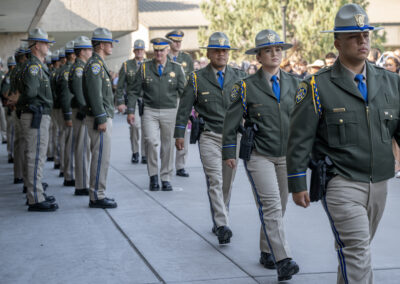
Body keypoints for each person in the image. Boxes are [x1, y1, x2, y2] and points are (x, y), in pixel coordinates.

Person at [287, 4, 397, 283]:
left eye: (366, 35)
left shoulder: (391, 82)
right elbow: (300, 137)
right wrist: (297, 181)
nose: (363, 41)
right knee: (358, 252)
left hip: (380, 182)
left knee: (354, 252)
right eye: (354, 36)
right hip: (341, 181)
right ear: (337, 42)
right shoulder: (316, 86)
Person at [222, 29, 300, 281]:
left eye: (278, 49)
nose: (275, 53)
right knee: (272, 205)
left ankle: (268, 250)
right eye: (268, 50)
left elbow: (304, 122)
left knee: (281, 206)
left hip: (286, 155)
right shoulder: (244, 87)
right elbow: (231, 122)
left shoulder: (295, 83)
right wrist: (228, 151)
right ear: (258, 56)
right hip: (259, 155)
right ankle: (283, 259)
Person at [175, 32, 246, 244]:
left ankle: (219, 218)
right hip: (209, 136)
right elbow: (184, 108)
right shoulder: (196, 78)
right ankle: (223, 224)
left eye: (225, 51)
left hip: (232, 138)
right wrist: (179, 133)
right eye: (217, 50)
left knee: (227, 183)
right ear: (209, 53)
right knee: (214, 179)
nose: (222, 54)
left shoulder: (240, 77)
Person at [125, 37, 186, 192]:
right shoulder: (145, 68)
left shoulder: (177, 68)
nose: (159, 53)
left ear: (167, 50)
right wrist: (131, 111)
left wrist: (187, 114)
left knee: (168, 146)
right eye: (156, 50)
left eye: (162, 50)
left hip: (170, 110)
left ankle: (165, 177)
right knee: (151, 141)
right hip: (150, 111)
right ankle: (153, 175)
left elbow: (185, 94)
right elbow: (133, 91)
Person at [19, 28, 58, 211]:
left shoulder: (37, 65)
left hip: (38, 114)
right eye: (44, 43)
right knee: (35, 157)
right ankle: (35, 198)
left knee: (36, 156)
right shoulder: (34, 67)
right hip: (36, 114)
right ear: (35, 46)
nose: (47, 46)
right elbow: (31, 93)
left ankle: (36, 193)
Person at [82, 27, 118, 208]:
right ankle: (97, 195)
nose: (112, 46)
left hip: (101, 116)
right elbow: (95, 95)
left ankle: (98, 192)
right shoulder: (95, 65)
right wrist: (101, 118)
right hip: (100, 118)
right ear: (102, 45)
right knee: (100, 157)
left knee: (102, 157)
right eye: (110, 43)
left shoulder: (98, 63)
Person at [166, 30, 194, 178]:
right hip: (169, 99)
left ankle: (181, 165)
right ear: (169, 42)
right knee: (170, 132)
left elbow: (191, 78)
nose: (177, 44)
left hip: (184, 98)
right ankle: (168, 164)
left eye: (179, 41)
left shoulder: (186, 58)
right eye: (175, 41)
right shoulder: (165, 57)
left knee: (183, 130)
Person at [68, 36, 93, 196]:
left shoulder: (81, 66)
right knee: (82, 148)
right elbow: (79, 92)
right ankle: (82, 184)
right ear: (82, 51)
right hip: (81, 112)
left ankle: (83, 181)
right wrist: (86, 109)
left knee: (84, 148)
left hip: (81, 110)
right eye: (89, 49)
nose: (91, 52)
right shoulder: (79, 68)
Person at [116, 39, 147, 164]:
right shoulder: (126, 65)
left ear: (144, 51)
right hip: (132, 101)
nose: (139, 52)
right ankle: (135, 152)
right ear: (134, 51)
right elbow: (120, 86)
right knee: (134, 126)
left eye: (141, 49)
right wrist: (120, 102)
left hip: (146, 100)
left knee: (146, 128)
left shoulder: (149, 64)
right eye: (137, 49)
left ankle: (145, 154)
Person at [58, 40, 76, 187]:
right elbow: (66, 95)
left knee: (68, 141)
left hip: (68, 110)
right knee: (69, 143)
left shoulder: (67, 69)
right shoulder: (68, 71)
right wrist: (68, 115)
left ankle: (68, 171)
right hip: (69, 111)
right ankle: (69, 174)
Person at [1, 56, 17, 163]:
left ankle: (12, 153)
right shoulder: (9, 77)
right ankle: (11, 154)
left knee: (12, 131)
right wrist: (12, 100)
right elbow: (5, 92)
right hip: (11, 108)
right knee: (11, 132)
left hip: (12, 106)